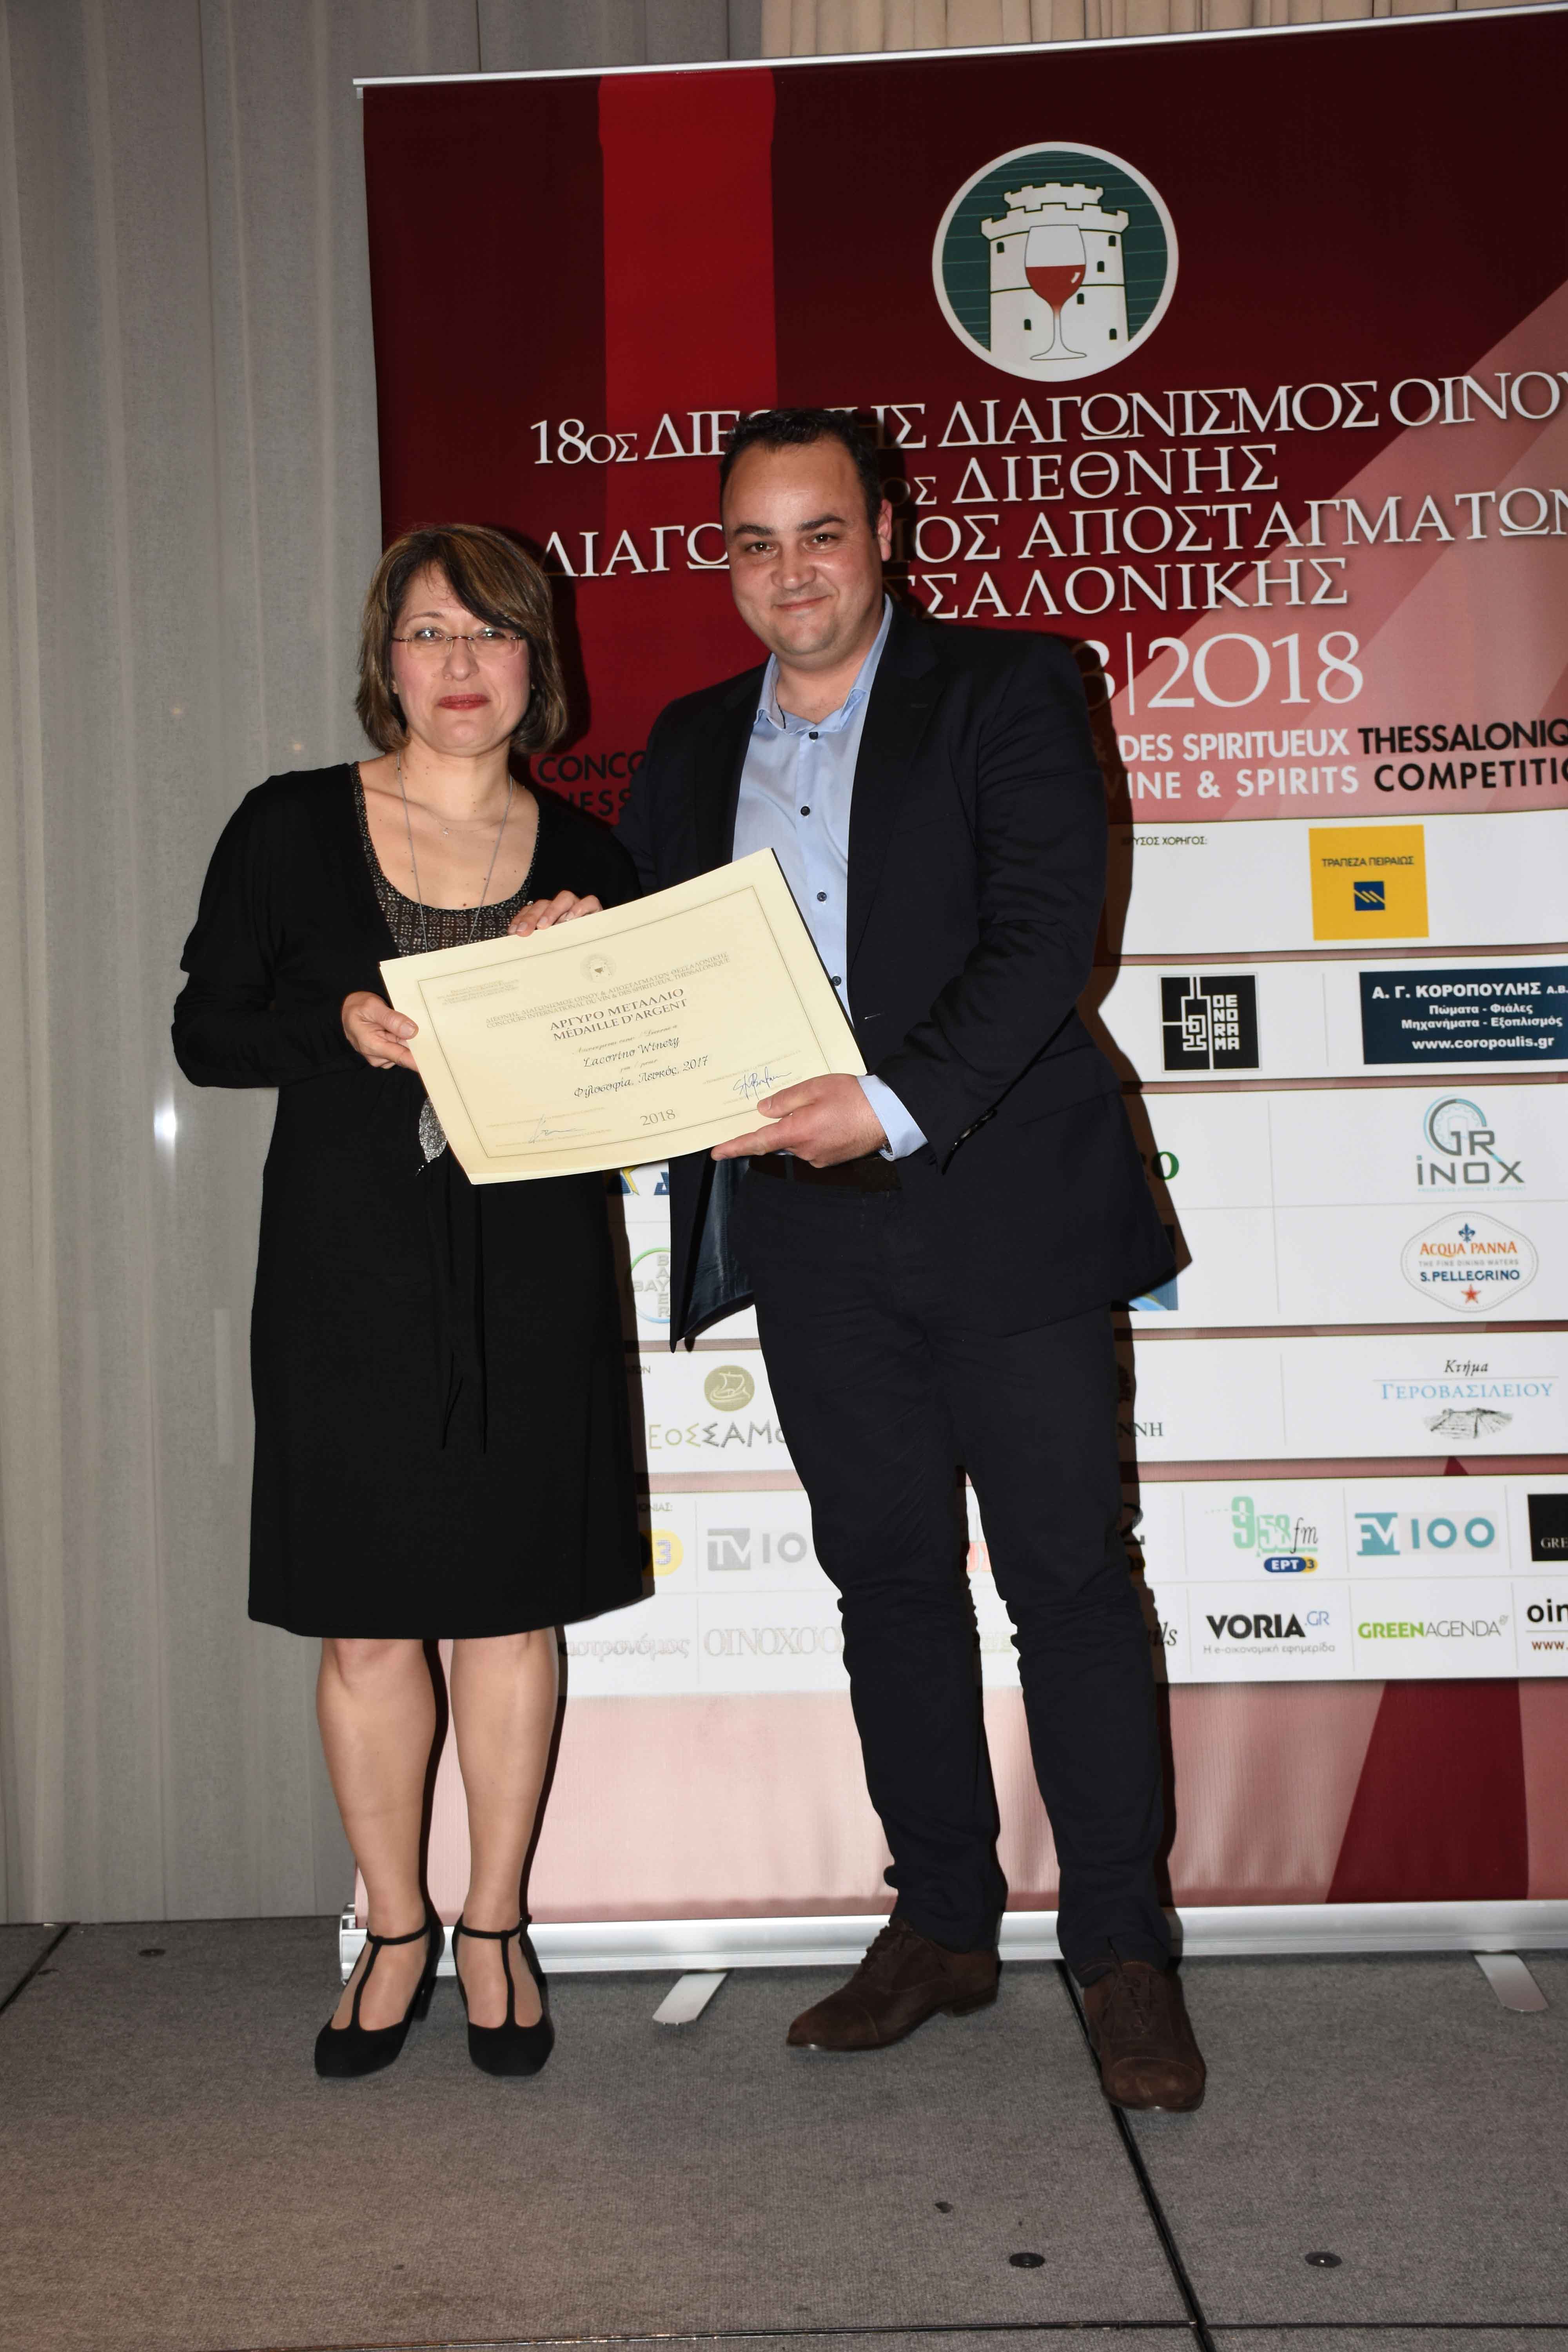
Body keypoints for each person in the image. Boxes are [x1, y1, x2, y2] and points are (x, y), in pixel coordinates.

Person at [617, 410, 1205, 2111]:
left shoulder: (1008, 689)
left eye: (820, 532)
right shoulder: (690, 742)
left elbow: (1047, 938)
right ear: (726, 559)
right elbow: (655, 959)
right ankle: (942, 1923)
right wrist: (577, 957)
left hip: (1005, 1200)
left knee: (1067, 1585)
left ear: (885, 529)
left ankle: (1122, 1951)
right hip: (808, 1231)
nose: (788, 572)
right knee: (884, 1585)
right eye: (753, 542)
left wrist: (884, 1105)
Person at [173, 526, 644, 2080]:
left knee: (510, 1612)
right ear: (386, 659)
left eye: (490, 633)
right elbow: (205, 1034)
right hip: (344, 1274)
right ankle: (393, 1927)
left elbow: (640, 1091)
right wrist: (336, 1023)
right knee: (367, 1625)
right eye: (429, 633)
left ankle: (496, 1925)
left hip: (533, 1269)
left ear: (535, 663)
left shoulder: (596, 861)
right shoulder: (290, 825)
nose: (459, 665)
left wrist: (593, 978)